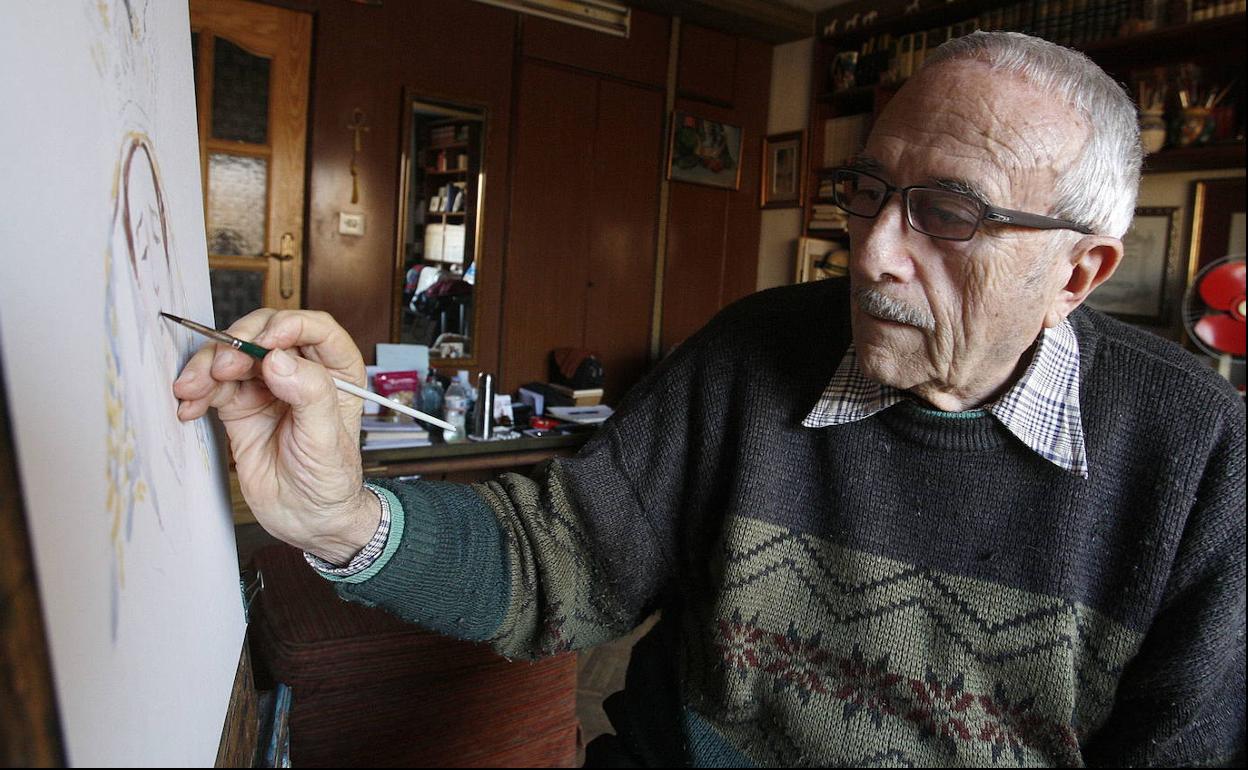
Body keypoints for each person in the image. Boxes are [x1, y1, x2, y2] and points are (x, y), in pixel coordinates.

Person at [173, 32, 1245, 766]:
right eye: (866, 191)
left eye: (948, 214)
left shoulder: (1194, 453)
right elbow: (565, 556)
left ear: (1078, 274)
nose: (872, 252)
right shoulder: (754, 351)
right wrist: (341, 513)